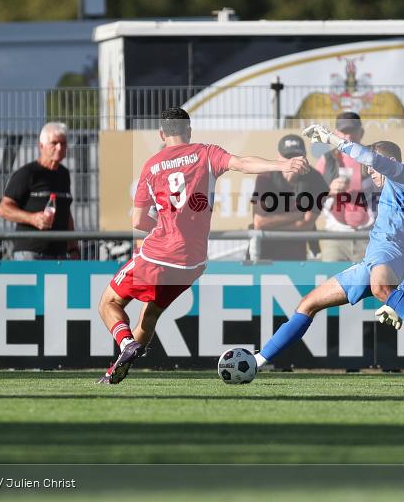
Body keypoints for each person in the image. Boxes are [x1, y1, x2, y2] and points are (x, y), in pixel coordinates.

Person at [97, 108, 310, 384]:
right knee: (150, 315)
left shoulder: (151, 166)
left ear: (161, 134)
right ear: (188, 131)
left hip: (159, 254)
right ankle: (117, 370)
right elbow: (243, 163)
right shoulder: (206, 153)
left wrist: (165, 227)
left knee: (108, 302)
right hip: (192, 263)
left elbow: (138, 220)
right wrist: (283, 165)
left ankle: (126, 343)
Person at [249, 124, 404, 371]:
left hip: (388, 254)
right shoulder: (397, 193)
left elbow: (369, 158)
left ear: (389, 162)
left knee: (380, 287)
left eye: (373, 167)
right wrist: (400, 296)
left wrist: (331, 138)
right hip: (374, 262)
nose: (369, 171)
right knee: (308, 303)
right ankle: (257, 361)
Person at [0, 122, 77, 260]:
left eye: (63, 143)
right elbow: (3, 209)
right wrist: (32, 218)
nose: (59, 147)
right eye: (54, 143)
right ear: (41, 146)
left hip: (60, 255)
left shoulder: (64, 174)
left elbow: (66, 213)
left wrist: (73, 248)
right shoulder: (28, 173)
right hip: (30, 252)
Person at [251, 134, 329, 261]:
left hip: (297, 254)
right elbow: (259, 222)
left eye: (296, 157)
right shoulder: (265, 177)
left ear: (305, 157)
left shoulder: (316, 179)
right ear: (278, 156)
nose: (293, 162)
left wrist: (270, 224)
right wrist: (299, 214)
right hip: (265, 252)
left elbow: (307, 225)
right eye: (288, 157)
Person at [315, 111, 375, 261]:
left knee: (369, 276)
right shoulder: (326, 160)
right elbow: (311, 197)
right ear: (336, 133)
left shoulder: (374, 159)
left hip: (369, 235)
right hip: (335, 236)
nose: (348, 136)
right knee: (330, 275)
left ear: (361, 132)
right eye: (344, 132)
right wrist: (329, 191)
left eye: (352, 131)